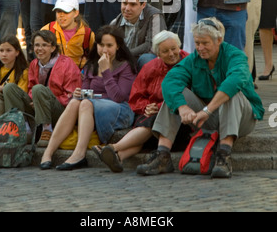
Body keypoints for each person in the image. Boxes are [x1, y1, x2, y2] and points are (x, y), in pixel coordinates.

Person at [136, 18, 264, 178]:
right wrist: (182, 107)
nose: (200, 48)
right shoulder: (194, 59)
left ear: (219, 40)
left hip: (241, 120)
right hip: (206, 118)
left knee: (231, 92)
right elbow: (171, 80)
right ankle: (162, 154)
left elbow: (235, 80)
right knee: (175, 93)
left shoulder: (235, 56)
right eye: (197, 43)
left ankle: (224, 155)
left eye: (205, 43)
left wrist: (207, 110)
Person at [39, 25, 137, 171]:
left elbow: (118, 97)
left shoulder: (125, 66)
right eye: (101, 45)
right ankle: (48, 152)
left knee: (85, 104)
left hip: (120, 110)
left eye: (109, 45)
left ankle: (79, 154)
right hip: (93, 105)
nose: (104, 50)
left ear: (118, 46)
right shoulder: (92, 65)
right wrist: (79, 93)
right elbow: (87, 91)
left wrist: (105, 71)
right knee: (74, 103)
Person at [93, 30, 188, 173]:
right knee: (147, 125)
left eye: (174, 49)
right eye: (165, 51)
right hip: (150, 122)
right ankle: (118, 157)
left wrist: (158, 107)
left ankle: (113, 148)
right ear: (157, 54)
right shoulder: (150, 67)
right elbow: (136, 97)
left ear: (179, 47)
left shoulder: (188, 63)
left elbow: (187, 95)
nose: (171, 54)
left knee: (152, 122)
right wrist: (147, 107)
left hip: (179, 120)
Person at [3, 30, 82, 148]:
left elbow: (71, 96)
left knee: (38, 89)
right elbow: (30, 87)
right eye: (37, 45)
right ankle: (23, 128)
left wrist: (43, 99)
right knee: (9, 88)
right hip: (38, 104)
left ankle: (47, 130)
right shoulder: (34, 63)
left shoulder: (67, 63)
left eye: (44, 45)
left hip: (60, 110)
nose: (40, 48)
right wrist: (35, 99)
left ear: (53, 48)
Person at [111, 0, 166, 67]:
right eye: (124, 3)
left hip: (142, 61)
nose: (127, 8)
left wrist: (126, 55)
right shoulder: (116, 22)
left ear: (143, 5)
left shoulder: (155, 16)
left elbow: (152, 45)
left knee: (147, 59)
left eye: (133, 4)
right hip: (124, 62)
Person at [41, 0, 95, 69]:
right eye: (58, 11)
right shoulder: (47, 30)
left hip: (79, 76)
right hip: (53, 75)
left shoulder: (87, 34)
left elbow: (94, 58)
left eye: (66, 12)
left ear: (76, 13)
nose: (61, 15)